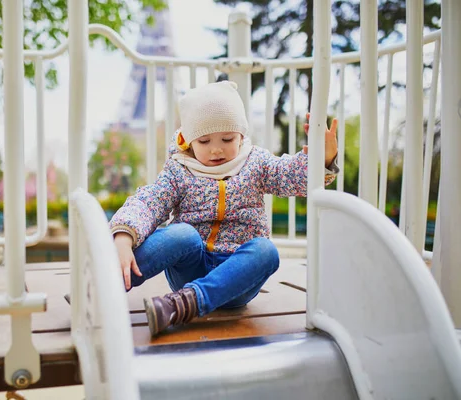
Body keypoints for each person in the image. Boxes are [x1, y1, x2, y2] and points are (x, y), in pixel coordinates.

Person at [109, 81, 339, 336]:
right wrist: (124, 235)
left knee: (266, 250)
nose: (216, 149)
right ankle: (105, 282)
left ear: (241, 135)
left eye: (227, 138)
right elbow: (148, 202)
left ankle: (185, 304)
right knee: (182, 234)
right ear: (187, 141)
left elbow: (292, 175)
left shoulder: (256, 163)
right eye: (204, 141)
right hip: (191, 269)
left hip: (237, 277)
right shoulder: (179, 170)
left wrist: (322, 158)